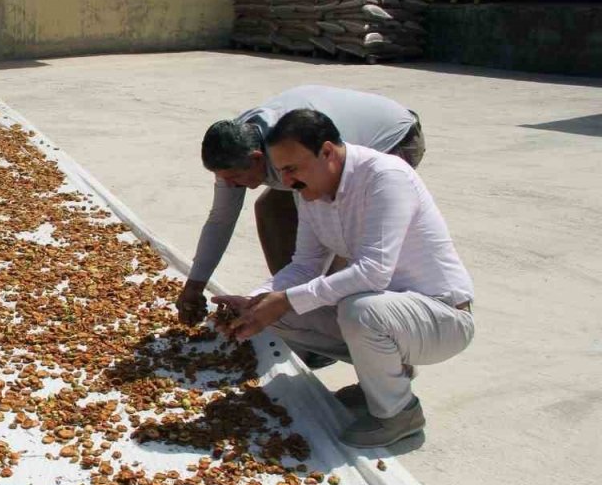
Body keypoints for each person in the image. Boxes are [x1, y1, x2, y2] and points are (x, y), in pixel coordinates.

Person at [211, 109, 474, 449]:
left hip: (441, 317)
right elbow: (305, 265)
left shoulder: (385, 177)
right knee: (275, 313)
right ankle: (382, 380)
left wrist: (286, 299)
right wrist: (257, 300)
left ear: (327, 152)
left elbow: (373, 271)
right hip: (389, 314)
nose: (286, 181)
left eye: (292, 169)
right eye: (282, 171)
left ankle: (399, 413)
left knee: (358, 311)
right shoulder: (310, 191)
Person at [177, 85, 425, 324]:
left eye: (235, 178)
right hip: (328, 139)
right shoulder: (235, 146)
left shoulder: (292, 149)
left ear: (257, 159)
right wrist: (195, 284)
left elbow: (326, 207)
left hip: (395, 137)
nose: (230, 185)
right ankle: (292, 306)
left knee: (342, 233)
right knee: (271, 210)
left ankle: (339, 319)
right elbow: (221, 219)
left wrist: (295, 297)